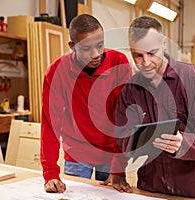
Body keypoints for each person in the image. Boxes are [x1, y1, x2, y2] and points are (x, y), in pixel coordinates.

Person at [103, 16, 195, 199]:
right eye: (138, 55)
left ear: (164, 44)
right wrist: (120, 167)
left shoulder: (193, 79)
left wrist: (184, 143)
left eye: (152, 53)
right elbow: (122, 136)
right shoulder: (131, 89)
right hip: (152, 186)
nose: (145, 62)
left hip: (194, 187)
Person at [41, 14, 132, 193]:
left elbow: (124, 118)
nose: (96, 54)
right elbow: (50, 124)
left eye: (100, 45)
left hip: (110, 153)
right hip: (76, 155)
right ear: (72, 47)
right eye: (86, 48)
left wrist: (119, 167)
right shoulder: (57, 71)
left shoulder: (119, 63)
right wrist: (50, 173)